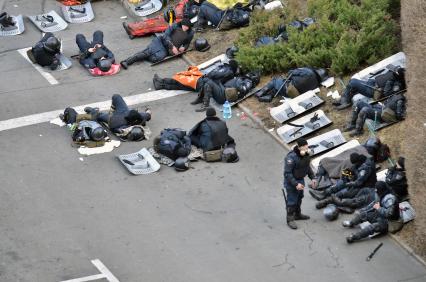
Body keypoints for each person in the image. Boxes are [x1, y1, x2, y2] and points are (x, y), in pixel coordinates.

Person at [120, 18, 194, 69]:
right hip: (161, 42)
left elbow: (187, 43)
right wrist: (172, 47)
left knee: (156, 58)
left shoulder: (190, 33)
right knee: (147, 52)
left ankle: (144, 56)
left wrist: (184, 48)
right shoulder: (175, 26)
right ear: (181, 24)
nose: (185, 28)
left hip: (167, 51)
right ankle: (127, 61)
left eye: (187, 27)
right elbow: (165, 36)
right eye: (184, 26)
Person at [311, 153, 376, 208]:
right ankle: (324, 193)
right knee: (342, 182)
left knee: (346, 191)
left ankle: (326, 201)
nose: (354, 164)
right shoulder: (360, 160)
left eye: (354, 163)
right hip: (357, 180)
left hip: (364, 186)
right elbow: (353, 169)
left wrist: (348, 184)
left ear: (358, 162)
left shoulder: (366, 168)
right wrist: (345, 173)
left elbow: (358, 183)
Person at [333, 66, 406, 110]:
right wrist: (395, 70)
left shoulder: (397, 84)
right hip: (372, 82)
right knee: (352, 84)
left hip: (372, 90)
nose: (394, 72)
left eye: (396, 72)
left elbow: (387, 93)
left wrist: (390, 80)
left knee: (353, 82)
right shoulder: (397, 74)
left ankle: (346, 102)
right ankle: (343, 99)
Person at [85, 94, 151, 141]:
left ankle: (94, 111)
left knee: (116, 97)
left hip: (121, 113)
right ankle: (93, 111)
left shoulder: (140, 116)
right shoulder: (117, 122)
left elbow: (148, 114)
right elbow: (148, 114)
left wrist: (148, 111)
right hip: (116, 116)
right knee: (99, 116)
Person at [283, 138, 316, 229]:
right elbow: (287, 173)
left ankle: (297, 215)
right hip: (292, 182)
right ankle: (290, 219)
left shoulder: (305, 155)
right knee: (292, 200)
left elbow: (307, 167)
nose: (306, 150)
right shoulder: (291, 157)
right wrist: (296, 184)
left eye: (307, 148)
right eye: (304, 148)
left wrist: (313, 178)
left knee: (299, 198)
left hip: (300, 180)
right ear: (299, 147)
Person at [152, 59, 239, 92]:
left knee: (179, 82)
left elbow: (213, 74)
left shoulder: (227, 71)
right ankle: (160, 83)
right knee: (179, 85)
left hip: (202, 82)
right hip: (205, 85)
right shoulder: (230, 75)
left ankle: (160, 83)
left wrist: (207, 75)